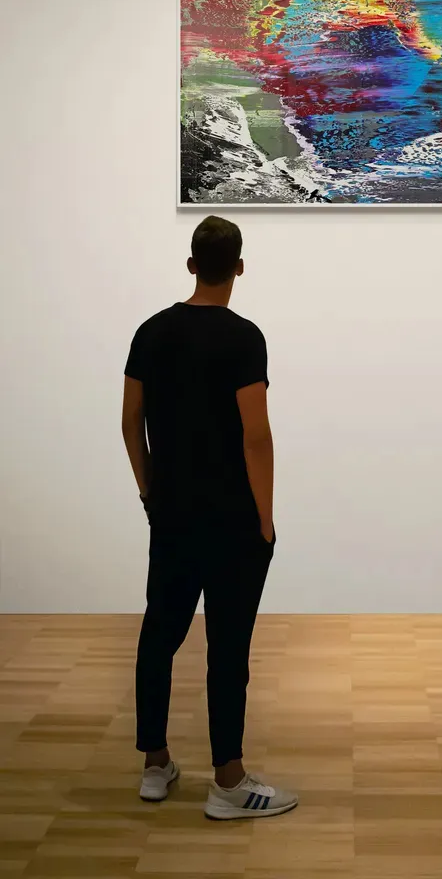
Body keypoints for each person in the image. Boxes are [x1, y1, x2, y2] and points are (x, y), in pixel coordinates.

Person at [121, 215, 297, 820]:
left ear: (191, 265)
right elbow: (256, 436)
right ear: (239, 268)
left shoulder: (151, 332)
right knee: (228, 646)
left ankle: (155, 764)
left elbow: (130, 421)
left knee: (159, 636)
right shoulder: (245, 339)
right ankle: (228, 781)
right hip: (232, 520)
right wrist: (265, 518)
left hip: (172, 513)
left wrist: (149, 490)